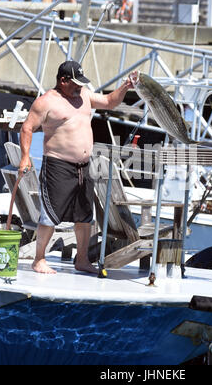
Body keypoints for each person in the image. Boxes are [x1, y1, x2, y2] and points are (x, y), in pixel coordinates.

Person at [19, 61, 134, 274]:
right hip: (57, 165)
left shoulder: (85, 96)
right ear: (63, 80)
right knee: (50, 215)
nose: (79, 87)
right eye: (75, 83)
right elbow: (27, 128)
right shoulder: (46, 102)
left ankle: (81, 259)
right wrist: (25, 157)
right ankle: (39, 259)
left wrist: (125, 86)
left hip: (84, 166)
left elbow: (109, 102)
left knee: (84, 216)